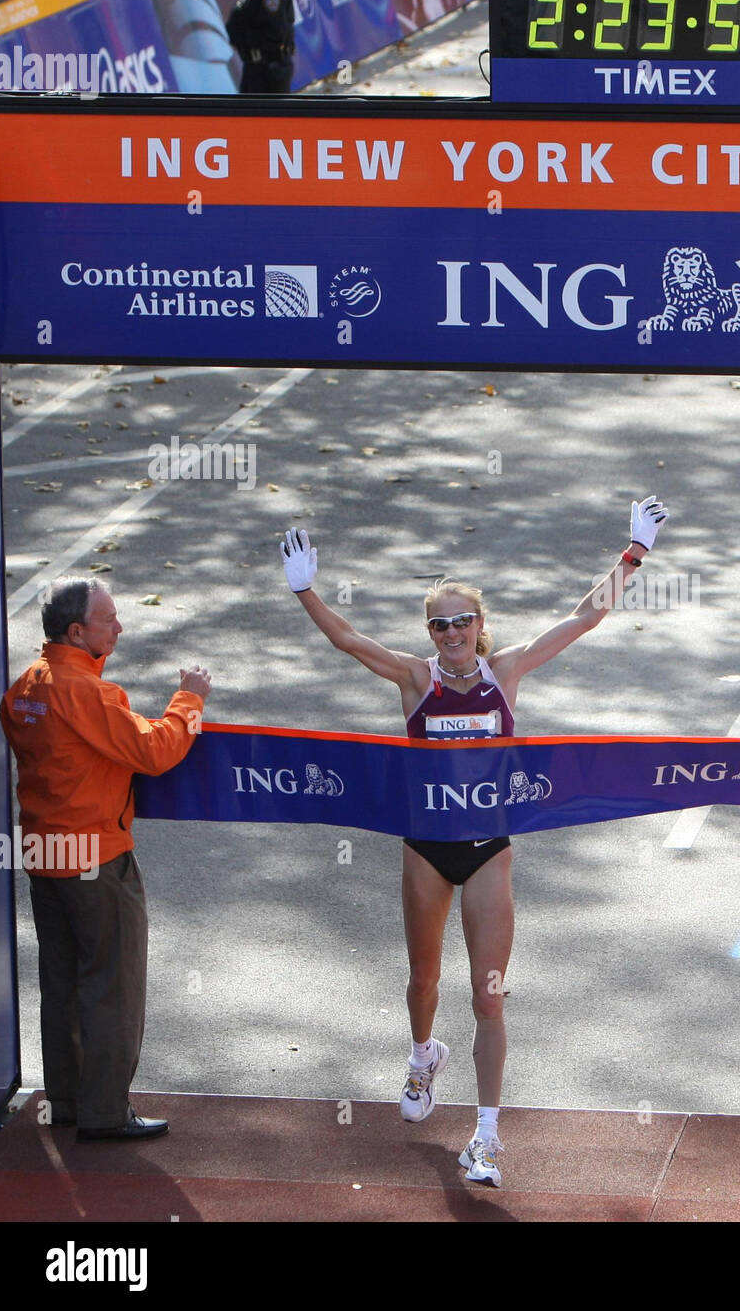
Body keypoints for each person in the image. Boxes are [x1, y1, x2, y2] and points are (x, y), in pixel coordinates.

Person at [280, 494, 669, 1186]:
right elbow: (347, 641)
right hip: (425, 849)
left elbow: (585, 617)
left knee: (488, 994)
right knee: (423, 980)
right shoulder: (415, 678)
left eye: (462, 620)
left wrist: (632, 553)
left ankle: (486, 1137)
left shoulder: (506, 671)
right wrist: (307, 589)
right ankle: (424, 1053)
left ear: (480, 624)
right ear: (430, 632)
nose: (452, 631)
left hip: (489, 848)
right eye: (440, 623)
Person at [0, 580, 211, 1141]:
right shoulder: (91, 694)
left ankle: (66, 1101)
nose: (118, 628)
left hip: (45, 855)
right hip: (96, 856)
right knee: (112, 985)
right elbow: (155, 750)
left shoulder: (23, 688)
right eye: (109, 620)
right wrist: (188, 699)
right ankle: (105, 1113)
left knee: (62, 981)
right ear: (77, 631)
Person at [226, 0, 296, 95]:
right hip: (254, 68)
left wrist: (247, 40)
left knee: (270, 112)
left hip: (269, 69)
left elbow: (275, 31)